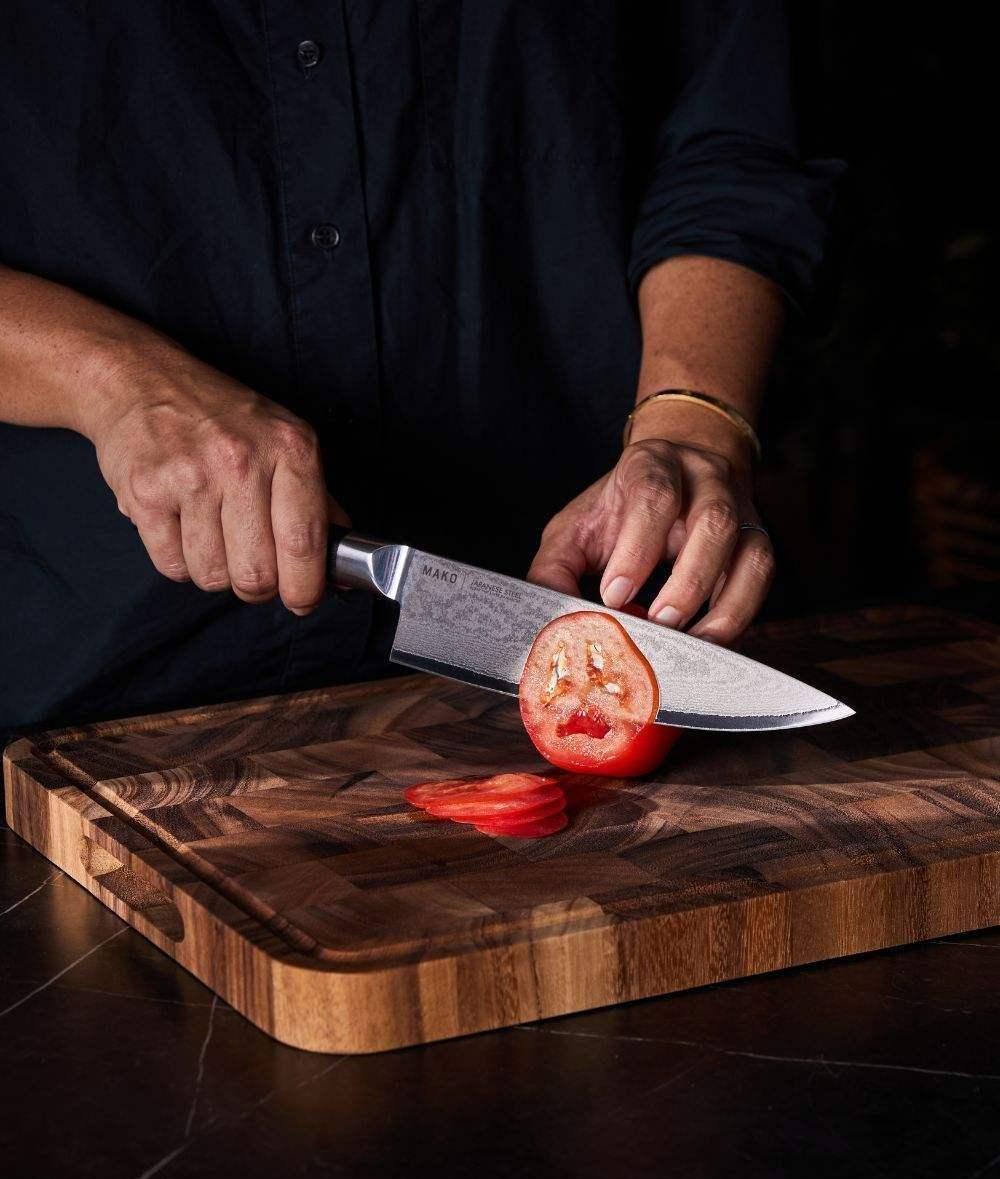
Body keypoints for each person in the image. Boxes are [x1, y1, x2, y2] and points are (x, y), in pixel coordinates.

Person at [0, 2, 844, 742]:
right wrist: (112, 381)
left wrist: (693, 422)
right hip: (84, 682)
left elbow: (736, 132)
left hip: (587, 588)